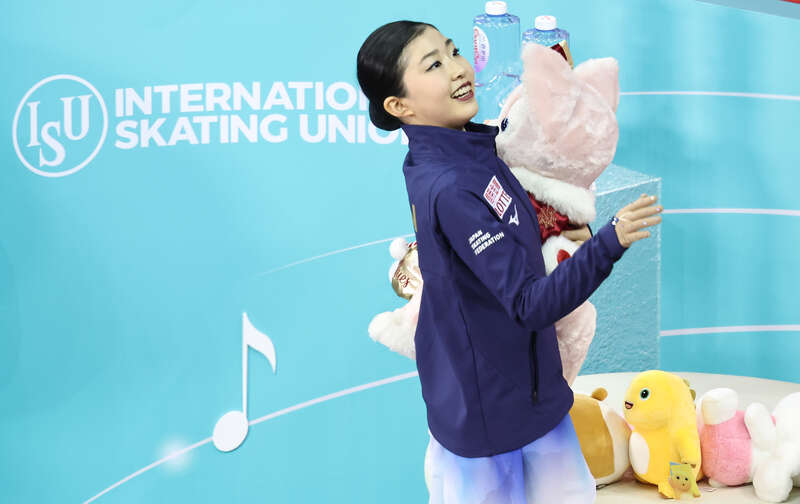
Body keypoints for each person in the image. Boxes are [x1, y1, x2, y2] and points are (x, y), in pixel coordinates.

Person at [356, 20, 662, 504]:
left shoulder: (469, 152)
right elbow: (528, 303)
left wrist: (562, 229)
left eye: (454, 51)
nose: (458, 69)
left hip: (531, 397)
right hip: (490, 422)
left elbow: (502, 245)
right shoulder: (450, 185)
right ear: (400, 106)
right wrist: (610, 242)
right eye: (433, 65)